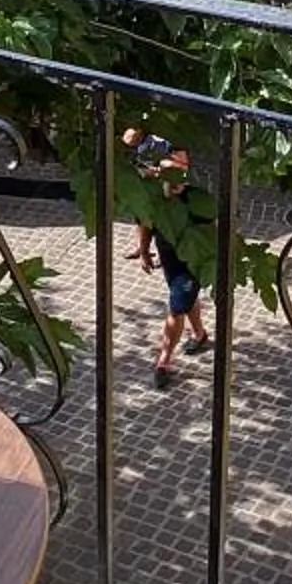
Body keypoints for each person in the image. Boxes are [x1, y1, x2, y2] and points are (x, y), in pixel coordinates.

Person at [123, 127, 212, 389]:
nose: (176, 182)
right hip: (170, 259)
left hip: (193, 263)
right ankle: (200, 335)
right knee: (184, 299)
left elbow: (217, 229)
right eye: (170, 176)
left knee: (176, 306)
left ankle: (163, 361)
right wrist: (144, 251)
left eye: (180, 174)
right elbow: (145, 223)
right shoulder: (154, 201)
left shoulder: (197, 201)